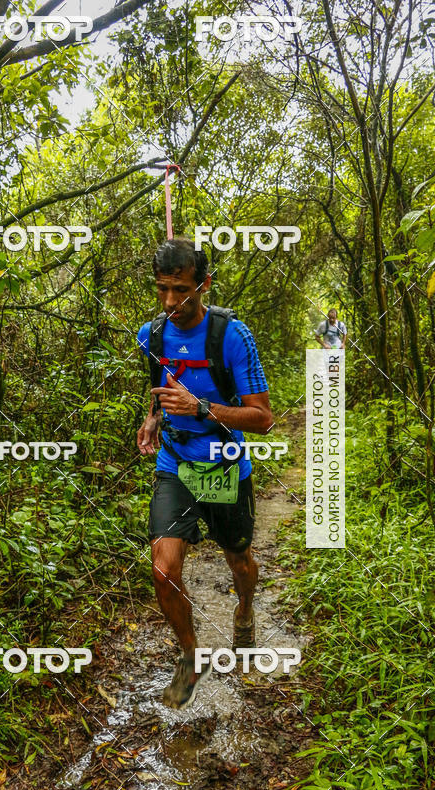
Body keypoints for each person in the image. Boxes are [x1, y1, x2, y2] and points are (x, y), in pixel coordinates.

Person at [136, 237, 273, 710]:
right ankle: (191, 656)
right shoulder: (150, 336)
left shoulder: (233, 337)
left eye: (181, 290)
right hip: (176, 462)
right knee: (163, 567)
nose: (171, 301)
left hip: (224, 463)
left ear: (204, 285)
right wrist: (155, 417)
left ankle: (244, 609)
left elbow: (263, 418)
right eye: (162, 290)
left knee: (240, 561)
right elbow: (158, 388)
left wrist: (203, 408)